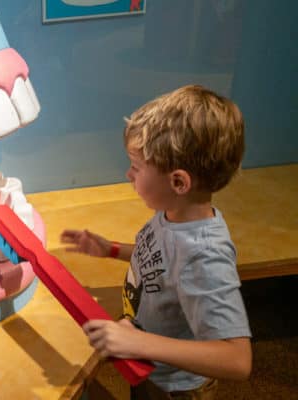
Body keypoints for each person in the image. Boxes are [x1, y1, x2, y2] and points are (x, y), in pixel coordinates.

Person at [61, 85, 252, 399]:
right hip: (149, 364)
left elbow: (237, 360)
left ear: (178, 181)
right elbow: (163, 261)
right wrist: (110, 249)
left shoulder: (204, 255)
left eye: (136, 167)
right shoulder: (172, 214)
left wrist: (138, 343)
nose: (128, 174)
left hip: (177, 388)